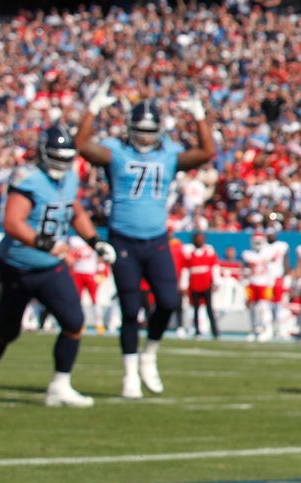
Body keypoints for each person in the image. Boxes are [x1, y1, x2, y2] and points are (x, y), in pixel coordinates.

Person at [75, 82, 216, 398]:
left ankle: (149, 353)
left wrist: (199, 117)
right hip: (123, 239)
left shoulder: (168, 154)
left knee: (168, 302)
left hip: (156, 240)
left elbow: (207, 152)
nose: (144, 137)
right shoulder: (117, 151)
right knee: (130, 307)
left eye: (150, 131)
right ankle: (129, 374)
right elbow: (81, 145)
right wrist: (92, 109)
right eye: (139, 130)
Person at [0, 126, 116, 407]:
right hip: (16, 266)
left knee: (73, 323)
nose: (61, 164)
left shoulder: (70, 178)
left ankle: (60, 385)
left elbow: (75, 211)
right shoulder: (28, 178)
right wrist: (45, 243)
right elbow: (12, 222)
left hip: (49, 267)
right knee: (8, 330)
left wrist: (96, 242)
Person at [183, 231, 220, 339]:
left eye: (201, 238)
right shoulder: (190, 253)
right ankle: (197, 330)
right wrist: (184, 285)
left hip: (206, 284)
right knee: (195, 309)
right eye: (197, 238)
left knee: (209, 308)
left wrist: (216, 281)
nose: (199, 241)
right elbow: (186, 270)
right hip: (194, 285)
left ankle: (215, 331)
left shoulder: (208, 251)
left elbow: (214, 267)